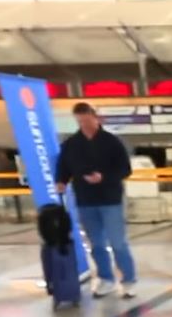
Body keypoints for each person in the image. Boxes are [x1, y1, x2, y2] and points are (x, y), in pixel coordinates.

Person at [56, 103, 137, 299]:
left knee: (118, 242)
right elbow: (64, 166)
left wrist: (104, 177)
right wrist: (61, 181)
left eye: (87, 120)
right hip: (85, 200)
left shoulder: (112, 142)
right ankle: (106, 279)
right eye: (80, 121)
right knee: (96, 244)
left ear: (96, 118)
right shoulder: (71, 144)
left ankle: (128, 280)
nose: (84, 124)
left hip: (110, 200)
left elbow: (125, 169)